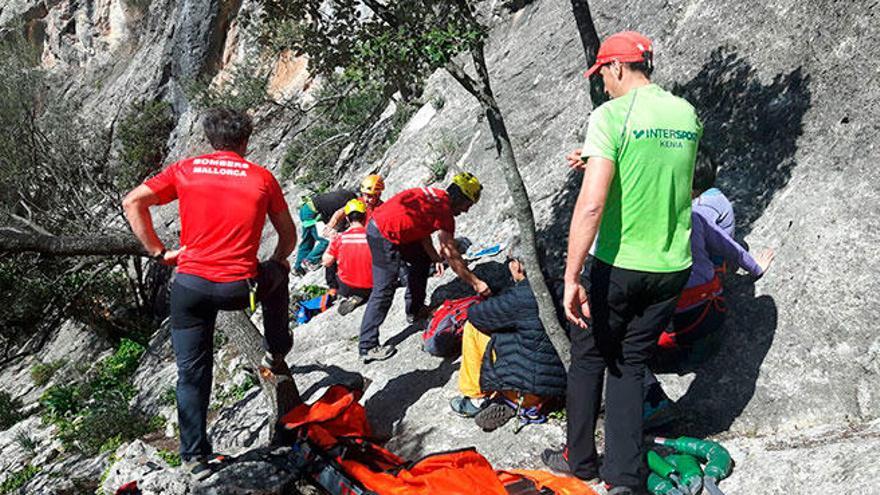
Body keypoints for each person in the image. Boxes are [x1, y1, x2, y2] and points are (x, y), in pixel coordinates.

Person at [543, 32, 702, 495]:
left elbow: (591, 207)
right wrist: (593, 162)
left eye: (603, 77)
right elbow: (667, 178)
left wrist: (573, 276)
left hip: (620, 264)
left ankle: (580, 460)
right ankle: (624, 480)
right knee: (630, 365)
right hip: (672, 263)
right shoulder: (685, 114)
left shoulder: (610, 115)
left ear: (615, 68)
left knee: (589, 355)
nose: (603, 86)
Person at [121, 108, 298, 477]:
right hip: (239, 287)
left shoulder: (186, 169)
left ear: (209, 139)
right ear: (246, 141)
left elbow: (132, 202)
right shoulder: (262, 178)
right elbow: (288, 235)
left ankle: (195, 458)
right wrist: (278, 260)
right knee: (277, 276)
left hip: (191, 287)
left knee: (192, 374)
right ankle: (276, 349)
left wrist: (158, 251)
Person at [643, 157, 775, 422]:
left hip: (671, 327)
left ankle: (653, 394)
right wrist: (756, 268)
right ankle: (696, 353)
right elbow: (732, 249)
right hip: (708, 315)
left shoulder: (645, 228)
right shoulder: (695, 218)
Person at [358, 172, 491, 363]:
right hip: (382, 234)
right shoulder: (444, 212)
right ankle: (367, 346)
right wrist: (476, 283)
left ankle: (415, 309)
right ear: (459, 198)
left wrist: (434, 257)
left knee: (421, 262)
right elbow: (451, 253)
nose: (466, 211)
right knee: (384, 289)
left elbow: (421, 228)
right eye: (467, 205)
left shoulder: (435, 197)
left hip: (394, 230)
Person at [449, 242, 566, 432]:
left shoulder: (520, 297)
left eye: (509, 261)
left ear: (517, 265)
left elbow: (476, 315)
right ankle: (528, 401)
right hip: (557, 383)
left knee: (474, 328)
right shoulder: (560, 287)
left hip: (528, 388)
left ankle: (476, 398)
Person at [322, 199, 373, 316]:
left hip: (346, 287)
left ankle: (334, 290)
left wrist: (332, 241)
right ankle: (363, 294)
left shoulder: (341, 239)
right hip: (372, 284)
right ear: (365, 216)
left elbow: (326, 261)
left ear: (347, 219)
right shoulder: (373, 237)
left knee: (331, 260)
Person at [294, 188, 357, 275]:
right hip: (312, 214)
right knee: (326, 240)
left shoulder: (343, 193)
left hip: (305, 208)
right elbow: (338, 214)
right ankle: (310, 261)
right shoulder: (351, 202)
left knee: (307, 241)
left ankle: (297, 268)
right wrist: (329, 227)